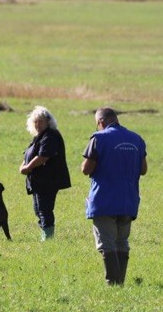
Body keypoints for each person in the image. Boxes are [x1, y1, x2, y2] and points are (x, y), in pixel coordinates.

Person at [81, 107, 147, 285]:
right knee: (122, 242)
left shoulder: (99, 138)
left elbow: (86, 169)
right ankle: (120, 282)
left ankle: (113, 283)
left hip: (104, 200)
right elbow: (143, 170)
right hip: (128, 200)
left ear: (100, 122)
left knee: (106, 243)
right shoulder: (137, 139)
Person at [20, 106, 72, 241]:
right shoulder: (39, 136)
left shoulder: (51, 135)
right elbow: (29, 154)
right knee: (38, 210)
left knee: (44, 210)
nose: (38, 124)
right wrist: (23, 165)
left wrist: (27, 167)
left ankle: (48, 239)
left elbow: (43, 156)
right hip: (38, 181)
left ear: (48, 122)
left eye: (41, 121)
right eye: (35, 122)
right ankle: (45, 235)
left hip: (48, 180)